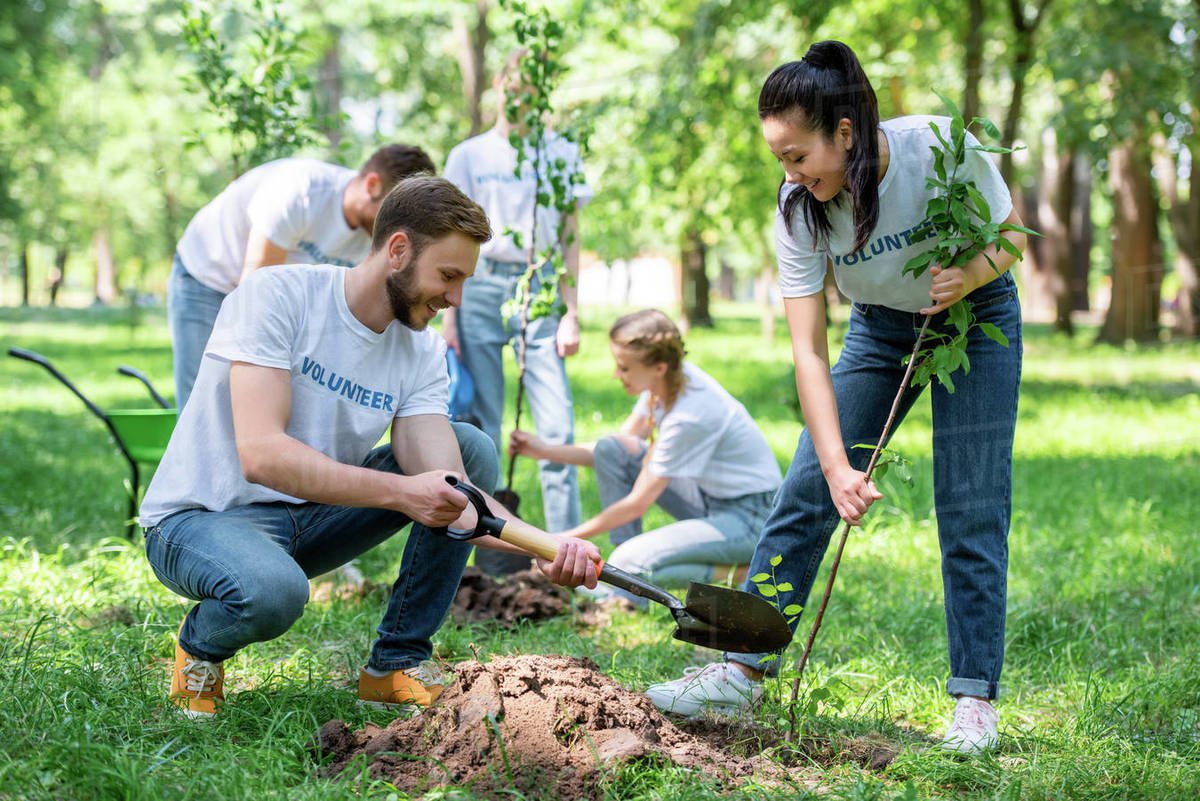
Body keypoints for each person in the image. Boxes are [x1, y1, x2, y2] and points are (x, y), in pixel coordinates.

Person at [645, 41, 1026, 756]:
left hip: (976, 321)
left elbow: (1013, 235)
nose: (790, 174)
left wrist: (970, 276)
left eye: (797, 156)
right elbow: (809, 352)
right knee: (802, 490)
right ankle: (738, 666)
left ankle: (974, 700)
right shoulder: (799, 210)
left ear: (843, 133)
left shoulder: (937, 150)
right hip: (880, 329)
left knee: (971, 503)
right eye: (780, 160)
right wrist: (836, 465)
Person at [139, 176, 602, 718]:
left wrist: (545, 548)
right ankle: (199, 649)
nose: (455, 298)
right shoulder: (279, 296)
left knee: (469, 446)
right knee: (272, 592)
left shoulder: (421, 350)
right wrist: (402, 493)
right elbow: (261, 454)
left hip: (310, 521)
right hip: (200, 521)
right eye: (448, 276)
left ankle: (396, 665)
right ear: (398, 250)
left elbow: (455, 490)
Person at [508, 309, 781, 601]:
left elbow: (636, 504)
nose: (616, 374)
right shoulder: (664, 384)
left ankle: (738, 572)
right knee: (612, 449)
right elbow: (615, 448)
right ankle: (620, 577)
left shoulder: (691, 414)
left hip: (751, 519)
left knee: (632, 563)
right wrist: (544, 451)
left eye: (624, 368)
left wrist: (559, 542)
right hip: (708, 500)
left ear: (659, 367)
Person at [441, 51, 592, 566]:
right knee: (481, 422)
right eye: (514, 86)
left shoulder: (562, 153)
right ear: (500, 86)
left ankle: (568, 551)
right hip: (481, 285)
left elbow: (571, 234)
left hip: (541, 285)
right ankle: (489, 549)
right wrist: (451, 316)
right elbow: (451, 235)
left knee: (556, 425)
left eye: (534, 89)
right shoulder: (470, 155)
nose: (521, 98)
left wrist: (572, 310)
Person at [169, 144, 436, 409]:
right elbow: (254, 290)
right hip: (207, 275)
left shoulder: (378, 236)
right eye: (395, 213)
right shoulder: (302, 191)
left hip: (266, 290)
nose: (398, 228)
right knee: (206, 397)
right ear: (372, 185)